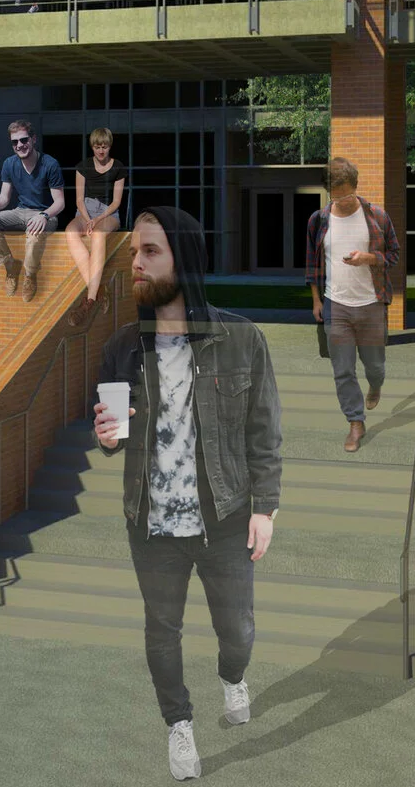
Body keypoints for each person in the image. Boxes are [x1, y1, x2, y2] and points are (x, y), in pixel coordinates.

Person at [94, 204, 283, 782]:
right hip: (150, 523)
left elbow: (264, 431)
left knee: (239, 630)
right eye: (133, 254)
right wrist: (104, 435)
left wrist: (266, 508)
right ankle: (179, 726)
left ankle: (233, 676)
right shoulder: (124, 347)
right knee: (162, 630)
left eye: (150, 252)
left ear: (186, 259)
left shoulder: (241, 339)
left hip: (224, 517)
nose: (136, 264)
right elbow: (112, 429)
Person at [305, 157, 400, 451]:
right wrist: (316, 300)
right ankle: (355, 422)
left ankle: (376, 384)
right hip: (337, 307)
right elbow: (312, 263)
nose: (342, 201)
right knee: (343, 370)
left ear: (355, 187)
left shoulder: (377, 217)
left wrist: (369, 258)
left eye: (346, 194)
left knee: (375, 366)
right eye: (336, 196)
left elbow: (394, 255)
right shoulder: (318, 220)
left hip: (371, 304)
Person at [0, 121, 65, 299]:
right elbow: (4, 197)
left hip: (46, 214)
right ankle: (10, 266)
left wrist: (44, 215)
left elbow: (60, 202)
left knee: (34, 233)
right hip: (20, 212)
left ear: (33, 139)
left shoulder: (50, 164)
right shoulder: (9, 164)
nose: (20, 145)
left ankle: (30, 275)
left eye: (24, 140)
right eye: (15, 142)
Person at [65, 127, 127, 304]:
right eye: (97, 146)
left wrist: (97, 220)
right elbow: (78, 199)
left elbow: (116, 201)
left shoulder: (118, 167)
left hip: (109, 212)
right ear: (92, 147)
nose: (101, 150)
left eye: (104, 146)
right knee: (70, 232)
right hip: (86, 210)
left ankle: (91, 298)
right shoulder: (82, 167)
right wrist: (87, 219)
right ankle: (98, 290)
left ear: (110, 146)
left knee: (98, 235)